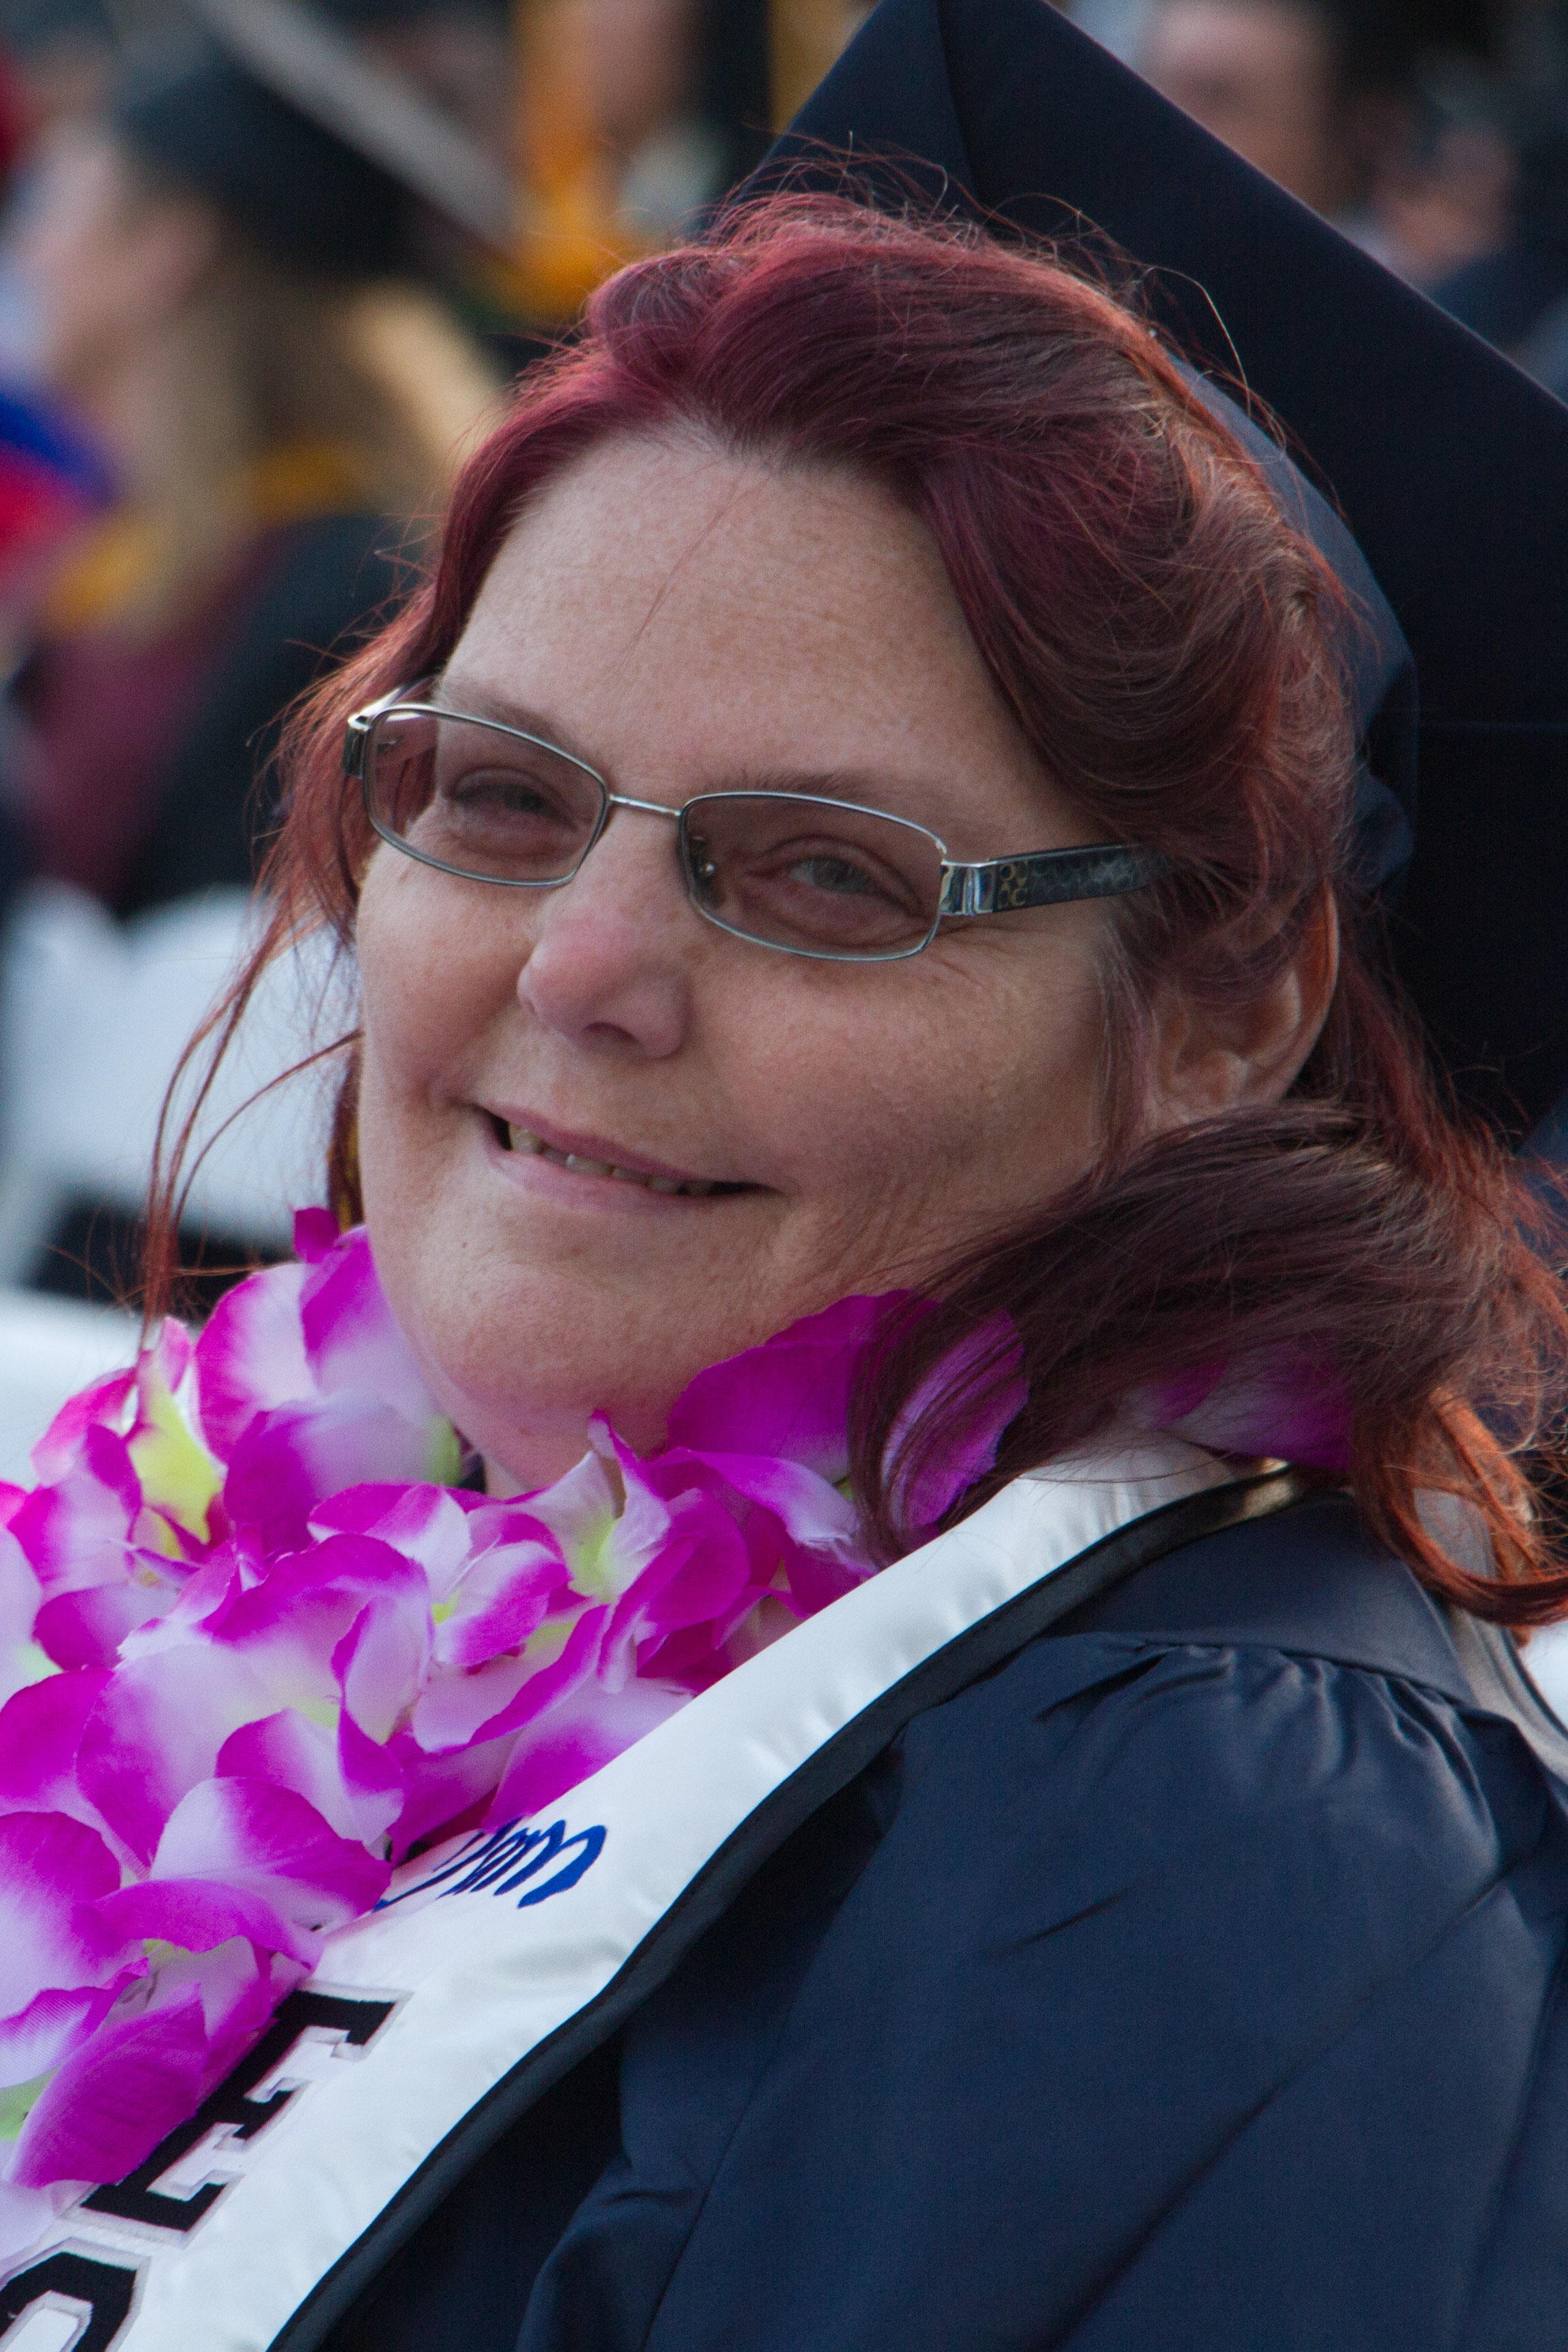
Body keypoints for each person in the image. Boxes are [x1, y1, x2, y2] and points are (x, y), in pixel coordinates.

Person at [1, 1, 1567, 2345]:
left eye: (829, 872)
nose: (582, 968)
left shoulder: (1210, 1849)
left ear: (1225, 1011)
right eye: (502, 797)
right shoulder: (260, 1584)